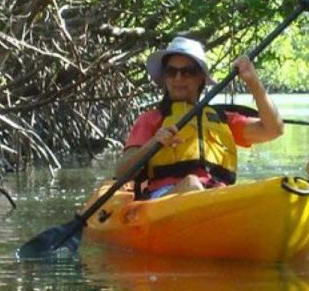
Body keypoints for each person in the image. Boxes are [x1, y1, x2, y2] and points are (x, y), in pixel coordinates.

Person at [116, 36, 283, 198]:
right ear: (165, 77)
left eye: (187, 72)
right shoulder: (151, 119)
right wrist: (154, 143)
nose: (178, 78)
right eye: (171, 71)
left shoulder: (223, 119)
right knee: (192, 184)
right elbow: (122, 172)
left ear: (201, 78)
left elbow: (274, 129)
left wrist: (253, 81)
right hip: (165, 199)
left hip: (217, 197)